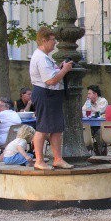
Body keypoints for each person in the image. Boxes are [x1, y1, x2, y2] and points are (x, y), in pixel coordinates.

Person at [29, 26, 73, 170]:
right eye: (53, 40)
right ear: (44, 40)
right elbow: (50, 80)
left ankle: (57, 159)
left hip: (51, 95)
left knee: (56, 129)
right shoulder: (40, 57)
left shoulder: (45, 57)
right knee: (43, 128)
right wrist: (65, 70)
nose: (55, 43)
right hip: (45, 94)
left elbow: (52, 76)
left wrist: (59, 69)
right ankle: (39, 160)